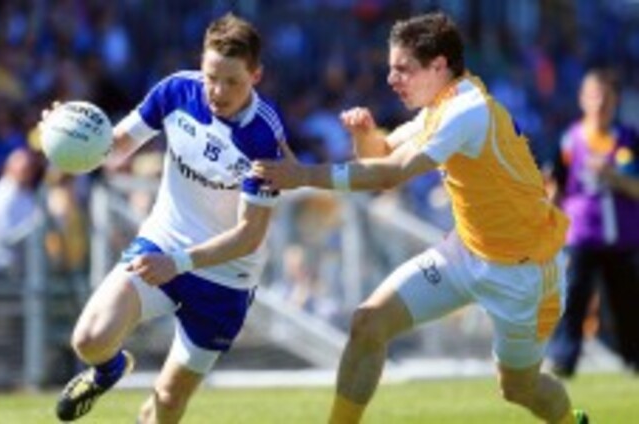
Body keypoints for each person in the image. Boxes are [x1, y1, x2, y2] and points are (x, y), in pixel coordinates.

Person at [254, 12, 588, 424]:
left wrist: (304, 175)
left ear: (439, 66)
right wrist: (365, 135)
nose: (392, 79)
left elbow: (391, 174)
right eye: (391, 68)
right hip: (466, 251)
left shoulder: (466, 110)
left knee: (519, 388)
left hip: (523, 273)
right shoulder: (443, 105)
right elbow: (381, 155)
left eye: (403, 69)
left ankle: (571, 421)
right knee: (368, 323)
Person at [50, 13, 288, 423]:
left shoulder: (264, 138)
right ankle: (109, 370)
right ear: (200, 65)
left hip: (225, 275)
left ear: (256, 76)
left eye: (233, 81)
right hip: (162, 242)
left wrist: (177, 264)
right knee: (89, 340)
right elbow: (116, 147)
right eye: (211, 77)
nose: (218, 91)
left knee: (166, 406)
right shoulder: (176, 90)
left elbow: (249, 235)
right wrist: (69, 137)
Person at [547, 68, 639, 377]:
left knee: (628, 303)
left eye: (606, 97)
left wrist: (613, 177)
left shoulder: (629, 140)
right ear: (582, 99)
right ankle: (564, 358)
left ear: (615, 101)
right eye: (594, 96)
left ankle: (634, 359)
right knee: (573, 298)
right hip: (581, 235)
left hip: (622, 237)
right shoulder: (569, 141)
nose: (599, 103)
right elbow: (556, 187)